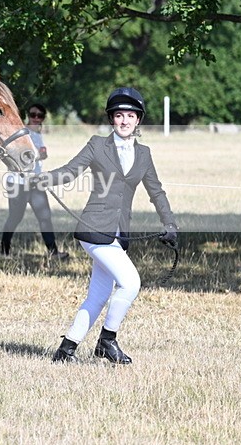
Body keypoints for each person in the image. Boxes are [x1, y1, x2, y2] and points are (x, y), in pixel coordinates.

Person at [36, 87, 178, 365]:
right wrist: (43, 179)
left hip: (118, 233)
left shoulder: (144, 154)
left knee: (98, 296)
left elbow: (156, 191)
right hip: (94, 227)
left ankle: (65, 351)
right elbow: (70, 171)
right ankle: (106, 341)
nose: (124, 121)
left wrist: (170, 223)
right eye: (119, 115)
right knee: (131, 283)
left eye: (130, 116)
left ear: (138, 120)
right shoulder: (97, 145)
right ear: (112, 118)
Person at [1, 103, 69, 261]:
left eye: (40, 116)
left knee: (45, 216)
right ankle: (4, 250)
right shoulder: (21, 133)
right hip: (18, 183)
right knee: (15, 217)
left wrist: (41, 155)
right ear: (28, 115)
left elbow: (38, 155)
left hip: (36, 182)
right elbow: (22, 156)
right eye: (33, 114)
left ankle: (53, 252)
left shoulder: (38, 134)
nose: (36, 118)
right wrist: (39, 154)